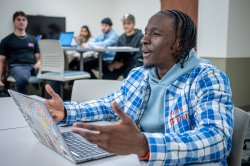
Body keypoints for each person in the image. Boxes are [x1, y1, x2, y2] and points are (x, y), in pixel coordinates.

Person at [44, 10, 233, 165]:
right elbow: (109, 105)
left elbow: (217, 139)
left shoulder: (207, 77)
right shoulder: (140, 74)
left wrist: (145, 145)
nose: (144, 39)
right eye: (146, 32)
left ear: (178, 43)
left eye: (156, 34)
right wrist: (67, 111)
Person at [0, 11, 40, 94]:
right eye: (18, 19)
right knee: (22, 78)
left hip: (33, 67)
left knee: (53, 75)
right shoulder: (6, 40)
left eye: (23, 19)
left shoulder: (33, 39)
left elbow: (38, 58)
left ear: (27, 22)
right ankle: (22, 102)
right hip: (17, 67)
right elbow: (1, 61)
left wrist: (39, 63)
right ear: (14, 22)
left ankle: (55, 102)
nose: (21, 21)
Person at [103, 14, 143, 80]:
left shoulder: (140, 37)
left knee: (129, 76)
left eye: (128, 23)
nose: (126, 26)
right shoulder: (121, 38)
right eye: (124, 24)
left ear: (134, 24)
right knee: (107, 73)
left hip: (135, 63)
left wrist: (122, 63)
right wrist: (113, 63)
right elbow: (118, 54)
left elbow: (139, 56)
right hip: (123, 63)